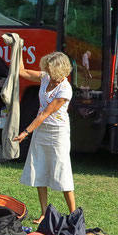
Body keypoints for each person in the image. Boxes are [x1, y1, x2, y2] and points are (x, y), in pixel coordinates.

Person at [12, 51, 76, 223]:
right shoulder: (46, 77)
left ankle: (74, 215)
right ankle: (44, 212)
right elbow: (22, 72)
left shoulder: (65, 89)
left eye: (50, 69)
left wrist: (26, 132)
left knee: (62, 172)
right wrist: (18, 47)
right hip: (41, 131)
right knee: (39, 169)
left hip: (58, 133)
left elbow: (44, 114)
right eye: (46, 69)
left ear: (60, 70)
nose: (47, 73)